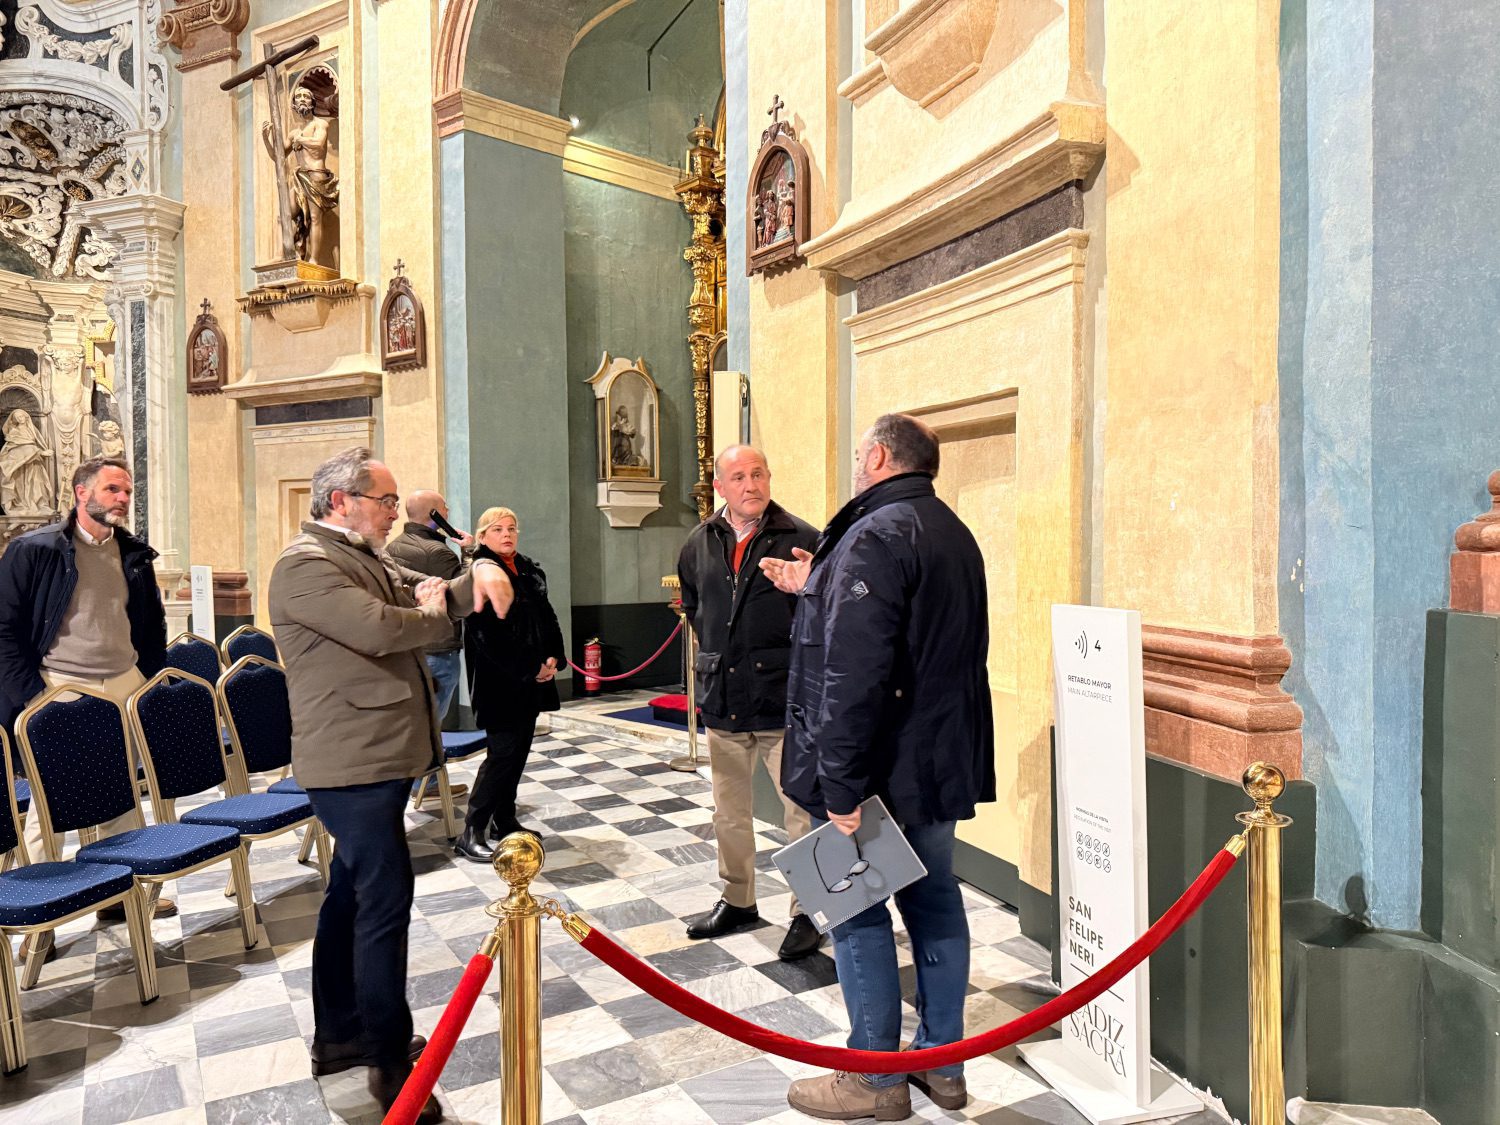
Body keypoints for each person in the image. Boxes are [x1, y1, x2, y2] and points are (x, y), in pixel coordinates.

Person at [268, 447, 513, 1123]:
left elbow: (435, 588)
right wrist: (437, 612)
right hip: (349, 762)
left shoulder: (367, 556)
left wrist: (482, 568)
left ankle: (341, 1034)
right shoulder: (304, 565)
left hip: (379, 754)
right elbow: (380, 629)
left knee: (348, 894)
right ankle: (386, 1061)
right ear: (340, 500)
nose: (392, 510)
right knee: (384, 900)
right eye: (383, 499)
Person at [763, 414, 994, 1122]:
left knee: (854, 908)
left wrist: (840, 782)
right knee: (935, 898)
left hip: (881, 769)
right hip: (936, 762)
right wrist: (818, 583)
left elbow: (855, 674)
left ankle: (874, 1075)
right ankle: (941, 1065)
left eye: (862, 451)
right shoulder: (949, 528)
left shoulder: (874, 534)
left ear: (878, 455)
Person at [0, 456, 174, 929]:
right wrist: (31, 697)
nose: (123, 499)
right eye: (113, 490)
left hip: (123, 680)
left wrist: (149, 678)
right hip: (60, 683)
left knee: (121, 790)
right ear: (82, 493)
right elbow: (5, 629)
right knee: (49, 793)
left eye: (127, 491)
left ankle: (122, 892)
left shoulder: (133, 552)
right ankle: (43, 909)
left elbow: (151, 624)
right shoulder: (35, 550)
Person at [677, 445, 822, 960]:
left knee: (802, 814)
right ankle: (738, 899)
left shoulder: (802, 538)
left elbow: (822, 614)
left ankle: (810, 910)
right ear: (720, 486)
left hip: (782, 701)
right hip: (724, 699)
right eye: (738, 477)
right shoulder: (698, 542)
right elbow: (694, 607)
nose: (751, 485)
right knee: (729, 813)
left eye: (758, 474)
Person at [456, 506, 566, 861]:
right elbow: (488, 636)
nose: (507, 534)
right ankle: (472, 829)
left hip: (532, 678)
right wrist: (529, 667)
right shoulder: (480, 572)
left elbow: (547, 617)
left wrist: (553, 658)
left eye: (512, 528)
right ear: (483, 536)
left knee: (518, 754)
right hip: (499, 680)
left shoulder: (529, 569)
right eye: (498, 529)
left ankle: (505, 820)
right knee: (501, 755)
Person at [386, 490, 473, 801]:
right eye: (444, 507)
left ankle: (419, 782)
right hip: (439, 645)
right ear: (435, 514)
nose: (449, 510)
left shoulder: (392, 547)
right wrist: (470, 553)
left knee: (420, 718)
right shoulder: (439, 553)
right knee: (432, 721)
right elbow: (462, 598)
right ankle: (428, 785)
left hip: (411, 644)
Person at [0, 408, 54, 514]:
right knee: (21, 487)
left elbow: (36, 443)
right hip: (20, 465)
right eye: (18, 417)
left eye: (22, 416)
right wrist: (41, 452)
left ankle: (38, 505)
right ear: (14, 419)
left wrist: (40, 452)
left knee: (36, 484)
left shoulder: (32, 430)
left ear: (26, 416)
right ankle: (22, 506)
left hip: (34, 463)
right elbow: (18, 448)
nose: (21, 419)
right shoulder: (14, 431)